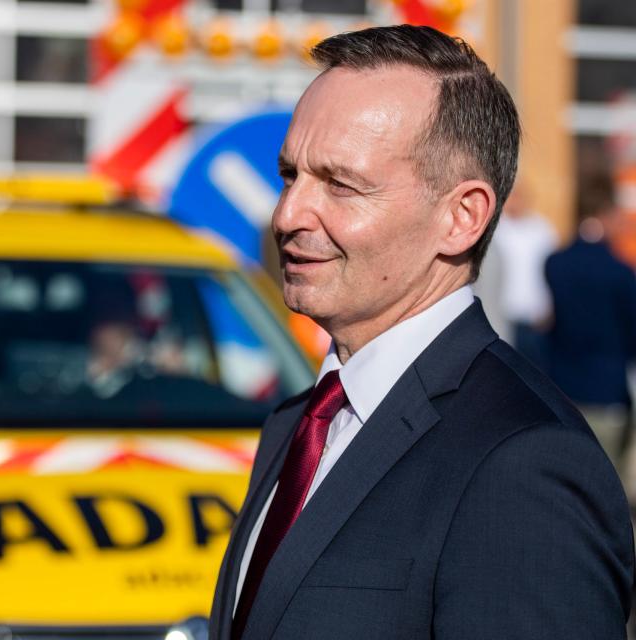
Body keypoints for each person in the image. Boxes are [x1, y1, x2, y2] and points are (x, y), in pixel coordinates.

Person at [209, 25, 634, 640]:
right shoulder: (299, 423)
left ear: (461, 218)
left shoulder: (522, 464)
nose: (288, 215)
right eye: (289, 176)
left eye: (340, 184)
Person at [544, 174, 636, 473]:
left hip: (562, 386)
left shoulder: (555, 262)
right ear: (606, 213)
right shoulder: (619, 272)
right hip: (606, 390)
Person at [491, 182, 558, 363]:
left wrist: (549, 307)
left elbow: (551, 272)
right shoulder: (496, 229)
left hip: (534, 316)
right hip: (502, 314)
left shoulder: (542, 229)